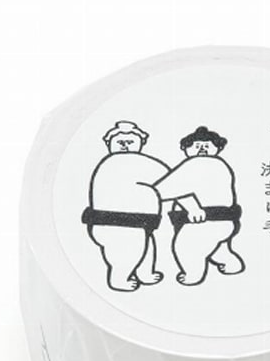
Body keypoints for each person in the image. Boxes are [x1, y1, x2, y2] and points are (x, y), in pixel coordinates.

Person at [81, 121, 169, 292]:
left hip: (129, 223)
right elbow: (170, 180)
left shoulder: (116, 162)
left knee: (144, 246)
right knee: (128, 252)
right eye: (120, 142)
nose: (125, 145)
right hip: (120, 223)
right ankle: (119, 279)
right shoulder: (125, 161)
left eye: (130, 142)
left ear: (140, 143)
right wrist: (189, 203)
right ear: (109, 144)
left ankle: (145, 273)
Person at [154, 126, 245, 286]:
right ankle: (232, 264)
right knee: (218, 249)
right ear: (186, 148)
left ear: (217, 148)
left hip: (202, 221)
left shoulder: (197, 163)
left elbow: (166, 189)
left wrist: (147, 192)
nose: (202, 148)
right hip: (225, 220)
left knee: (187, 248)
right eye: (197, 145)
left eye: (207, 145)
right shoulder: (220, 164)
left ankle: (193, 275)